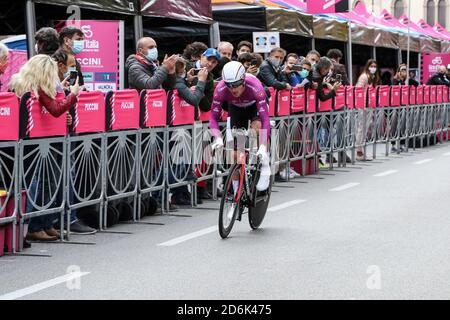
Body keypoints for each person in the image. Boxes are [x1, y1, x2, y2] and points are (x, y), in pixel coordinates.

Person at [9, 54, 81, 241]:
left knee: (49, 183)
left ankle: (45, 223)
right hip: (33, 140)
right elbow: (55, 109)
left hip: (46, 138)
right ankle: (36, 225)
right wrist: (73, 94)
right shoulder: (33, 87)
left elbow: (53, 109)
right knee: (41, 184)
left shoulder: (38, 87)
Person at [209, 61, 271, 192]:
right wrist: (218, 138)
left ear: (243, 80)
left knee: (257, 127)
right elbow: (213, 117)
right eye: (229, 85)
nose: (232, 89)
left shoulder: (255, 86)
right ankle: (236, 192)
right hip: (236, 108)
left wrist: (263, 145)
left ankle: (265, 165)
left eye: (236, 84)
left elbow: (265, 120)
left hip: (254, 105)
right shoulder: (220, 89)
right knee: (235, 154)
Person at [312, 57, 342, 166]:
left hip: (313, 109)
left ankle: (317, 158)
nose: (329, 72)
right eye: (328, 69)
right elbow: (323, 97)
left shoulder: (317, 74)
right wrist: (334, 90)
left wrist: (325, 84)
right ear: (324, 68)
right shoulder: (317, 76)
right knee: (314, 135)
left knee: (316, 135)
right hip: (312, 110)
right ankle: (316, 158)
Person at [355, 59, 381, 161]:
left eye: (375, 66)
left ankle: (361, 151)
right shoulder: (364, 77)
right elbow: (358, 90)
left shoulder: (372, 77)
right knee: (362, 128)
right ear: (368, 66)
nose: (373, 68)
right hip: (363, 106)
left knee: (365, 128)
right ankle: (359, 151)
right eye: (372, 66)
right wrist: (362, 104)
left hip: (369, 105)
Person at [190, 48, 220, 113]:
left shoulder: (209, 77)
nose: (210, 64)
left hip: (194, 116)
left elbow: (207, 107)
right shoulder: (187, 67)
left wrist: (200, 92)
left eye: (214, 62)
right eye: (208, 59)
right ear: (202, 56)